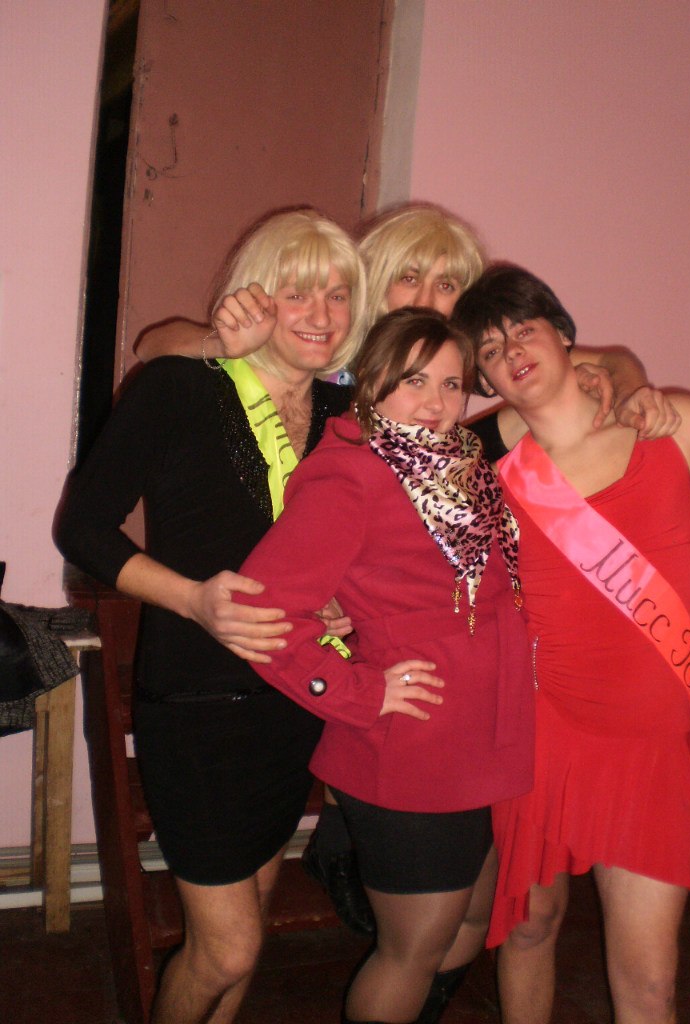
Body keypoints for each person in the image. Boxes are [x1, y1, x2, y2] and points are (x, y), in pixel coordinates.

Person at [131, 203, 673, 936]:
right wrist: (218, 339)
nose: (428, 298)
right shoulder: (328, 375)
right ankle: (348, 848)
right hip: (248, 662)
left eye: (449, 285)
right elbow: (156, 343)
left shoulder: (447, 426)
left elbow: (592, 363)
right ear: (372, 283)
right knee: (269, 932)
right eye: (408, 277)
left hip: (382, 692)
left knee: (456, 917)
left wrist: (629, 383)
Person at [53, 209, 367, 1024]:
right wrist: (193, 599)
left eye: (338, 294)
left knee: (250, 928)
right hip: (198, 701)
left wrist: (347, 595)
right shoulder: (180, 386)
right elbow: (82, 529)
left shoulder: (346, 415)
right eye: (298, 292)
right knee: (226, 947)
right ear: (254, 297)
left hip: (297, 697)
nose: (322, 314)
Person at [452, 265, 690, 1024]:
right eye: (490, 349)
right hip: (542, 731)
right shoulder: (488, 476)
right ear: (484, 378)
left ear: (565, 335)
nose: (510, 351)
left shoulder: (676, 426)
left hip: (649, 748)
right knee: (530, 927)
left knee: (651, 984)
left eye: (524, 329)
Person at [231, 307, 536, 1024]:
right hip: (414, 748)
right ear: (372, 381)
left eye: (452, 383)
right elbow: (261, 614)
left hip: (489, 737)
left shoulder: (464, 466)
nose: (435, 401)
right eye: (413, 380)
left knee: (472, 920)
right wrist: (359, 691)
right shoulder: (350, 474)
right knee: (413, 948)